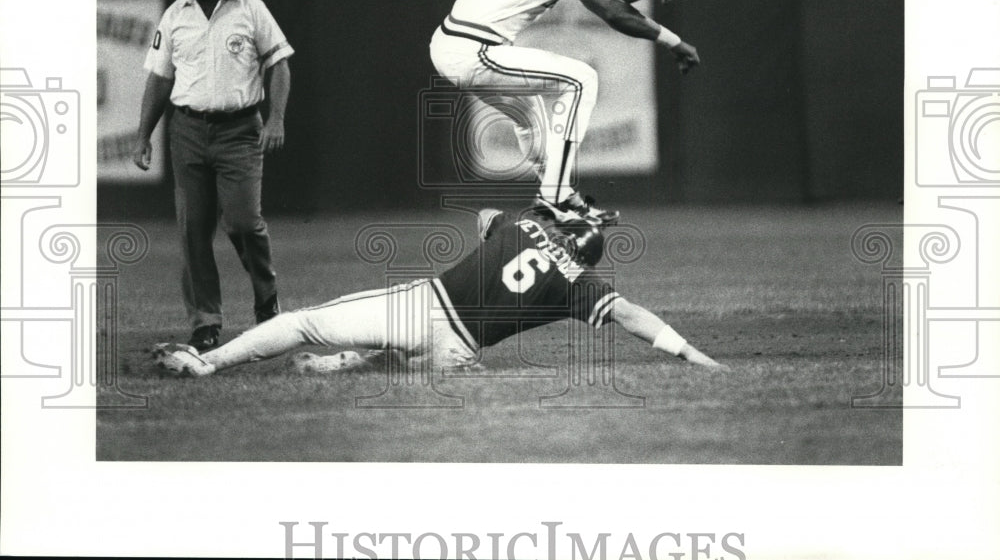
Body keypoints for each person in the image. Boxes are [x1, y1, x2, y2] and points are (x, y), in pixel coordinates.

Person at [152, 208, 726, 377]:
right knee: (402, 361)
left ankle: (206, 364)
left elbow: (484, 217)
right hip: (459, 350)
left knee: (304, 321)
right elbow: (631, 316)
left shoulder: (523, 223)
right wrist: (693, 353)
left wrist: (555, 211)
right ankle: (341, 366)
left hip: (423, 306)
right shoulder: (582, 284)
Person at [429, 0, 699, 227]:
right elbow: (613, 11)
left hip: (454, 44)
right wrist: (673, 41)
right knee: (581, 78)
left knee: (531, 120)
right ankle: (554, 196)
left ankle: (559, 197)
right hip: (472, 49)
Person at [132, 0, 294, 351]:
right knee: (193, 229)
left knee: (243, 222)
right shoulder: (174, 17)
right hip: (187, 129)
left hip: (240, 129)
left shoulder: (249, 6)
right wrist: (143, 135)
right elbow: (160, 80)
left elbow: (279, 63)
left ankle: (266, 299)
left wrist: (275, 118)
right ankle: (206, 320)